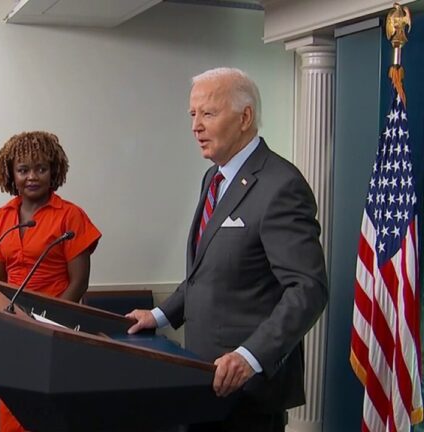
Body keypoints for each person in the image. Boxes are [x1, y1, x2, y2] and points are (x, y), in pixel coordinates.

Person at [126, 67, 328, 432]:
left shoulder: (281, 185)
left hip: (248, 392)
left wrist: (250, 357)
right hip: (204, 381)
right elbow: (208, 271)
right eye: (192, 115)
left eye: (208, 113)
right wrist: (157, 316)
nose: (195, 126)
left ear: (245, 117)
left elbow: (308, 288)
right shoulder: (214, 177)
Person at [0, 130, 101, 432]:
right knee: (14, 413)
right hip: (15, 332)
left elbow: (80, 282)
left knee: (50, 414)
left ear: (54, 171)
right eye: (23, 170)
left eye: (41, 168)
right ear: (11, 174)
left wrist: (48, 324)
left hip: (56, 330)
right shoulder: (2, 218)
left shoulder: (70, 216)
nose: (32, 176)